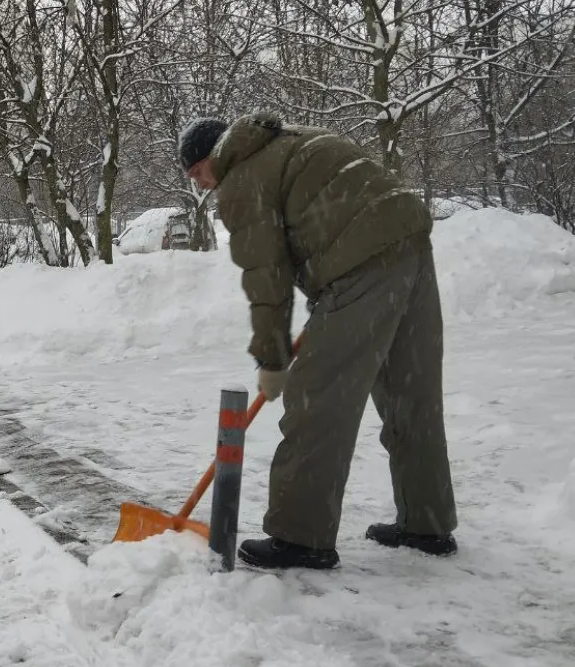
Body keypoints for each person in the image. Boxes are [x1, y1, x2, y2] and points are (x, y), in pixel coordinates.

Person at [178, 112, 458, 570]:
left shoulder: (242, 177)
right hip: (409, 242)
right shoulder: (291, 140)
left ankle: (300, 537)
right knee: (409, 391)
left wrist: (272, 360)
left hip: (359, 266)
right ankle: (427, 522)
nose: (203, 186)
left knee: (317, 400)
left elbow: (266, 278)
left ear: (214, 155)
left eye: (198, 174)